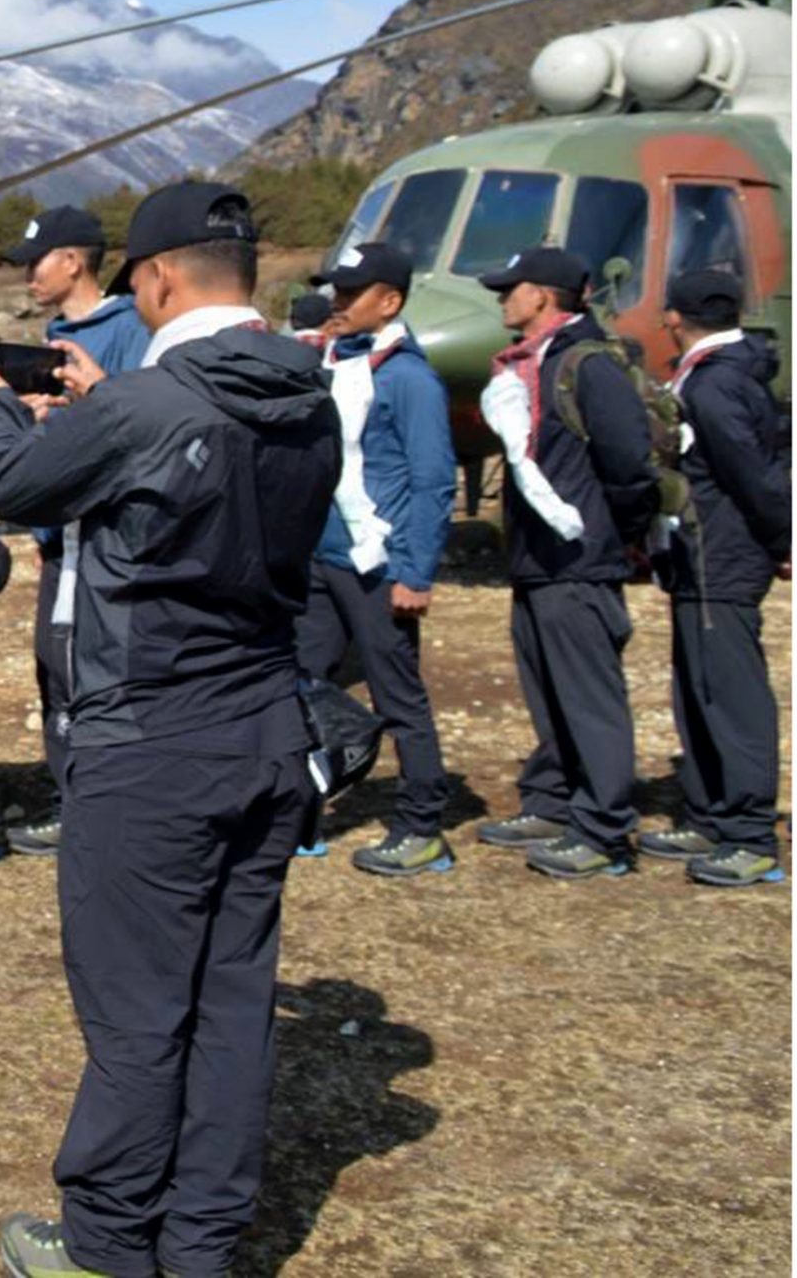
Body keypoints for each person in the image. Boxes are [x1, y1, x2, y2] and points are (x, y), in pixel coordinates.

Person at [0, 182, 339, 1278]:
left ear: (158, 278)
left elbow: (10, 486)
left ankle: (103, 1243)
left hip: (150, 743)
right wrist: (107, 402)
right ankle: (202, 1242)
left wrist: (9, 398)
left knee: (137, 1014)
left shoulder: (146, 406)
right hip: (266, 729)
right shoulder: (308, 394)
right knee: (233, 1003)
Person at [469, 247, 657, 880]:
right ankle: (552, 801)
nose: (501, 300)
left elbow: (630, 463)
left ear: (543, 296)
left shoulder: (586, 365)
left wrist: (617, 537)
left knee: (589, 697)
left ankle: (605, 829)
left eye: (509, 289)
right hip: (538, 562)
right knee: (548, 692)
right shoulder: (535, 364)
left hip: (579, 561)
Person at [298, 242, 458, 877]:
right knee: (301, 680)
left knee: (398, 696)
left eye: (350, 293)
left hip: (377, 564)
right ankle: (304, 806)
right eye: (334, 291)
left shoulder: (410, 379)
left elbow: (433, 480)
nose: (336, 303)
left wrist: (416, 571)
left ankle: (421, 824)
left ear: (388, 301)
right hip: (321, 557)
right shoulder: (336, 363)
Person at [0, 203, 151, 858]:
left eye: (36, 260)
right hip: (62, 539)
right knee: (54, 667)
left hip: (113, 538)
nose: (29, 274)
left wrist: (98, 398)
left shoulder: (130, 331)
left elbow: (146, 423)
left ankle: (114, 805)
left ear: (72, 260)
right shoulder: (58, 331)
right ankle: (71, 801)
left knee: (107, 672)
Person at [645, 266, 791, 888]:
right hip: (704, 558)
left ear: (675, 317)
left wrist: (783, 538)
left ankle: (751, 835)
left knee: (730, 694)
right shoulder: (730, 373)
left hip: (721, 556)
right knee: (698, 687)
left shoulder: (712, 387)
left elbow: (751, 474)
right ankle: (709, 812)